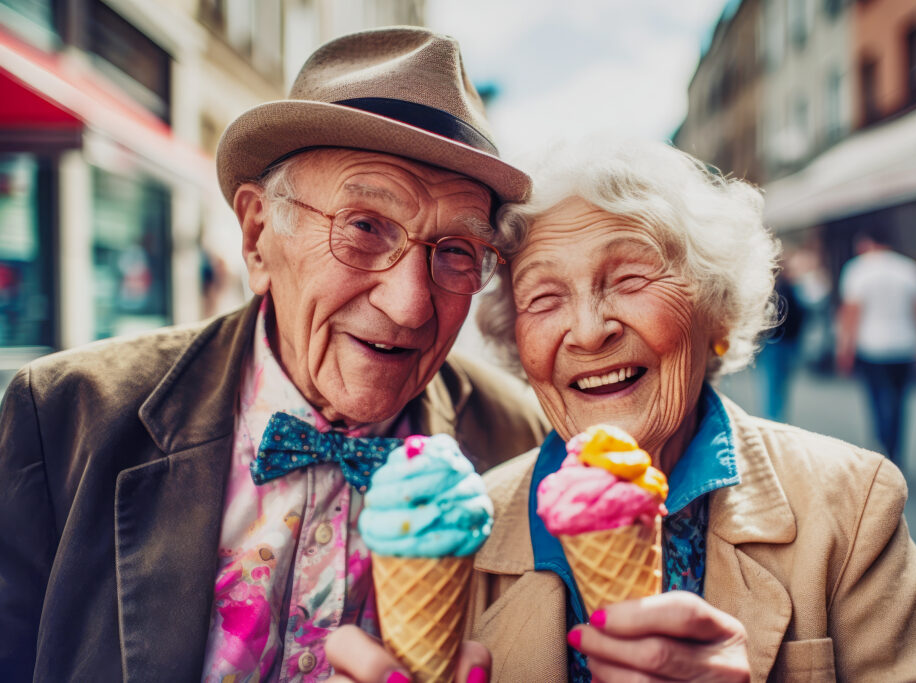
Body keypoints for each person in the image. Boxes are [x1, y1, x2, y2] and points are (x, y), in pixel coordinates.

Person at [0, 27, 550, 681]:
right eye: (364, 226)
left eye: (457, 251)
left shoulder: (519, 443)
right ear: (258, 235)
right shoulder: (63, 417)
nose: (410, 305)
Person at [326, 139, 916, 681]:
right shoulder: (455, 530)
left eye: (630, 279)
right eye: (544, 298)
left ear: (717, 312)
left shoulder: (853, 505)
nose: (588, 331)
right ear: (519, 346)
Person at [836, 228, 916, 466]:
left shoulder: (858, 270)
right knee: (899, 399)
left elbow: (851, 313)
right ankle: (895, 447)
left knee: (876, 397)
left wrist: (845, 347)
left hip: (871, 345)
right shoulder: (910, 269)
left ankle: (881, 441)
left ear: (867, 243)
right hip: (905, 344)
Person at [757, 262, 805, 421]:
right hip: (781, 343)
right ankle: (774, 416)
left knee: (774, 382)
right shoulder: (785, 289)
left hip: (777, 342)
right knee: (777, 382)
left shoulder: (775, 290)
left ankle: (774, 416)